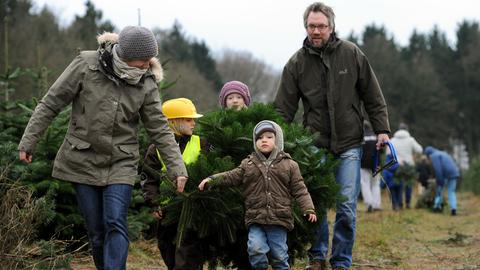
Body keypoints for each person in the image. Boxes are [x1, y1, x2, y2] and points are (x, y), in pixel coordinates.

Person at [18, 26, 188, 270]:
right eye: (143, 60)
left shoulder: (147, 81)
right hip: (82, 158)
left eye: (150, 59)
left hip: (121, 160)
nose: (147, 64)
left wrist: (177, 168)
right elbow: (51, 102)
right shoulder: (86, 64)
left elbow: (159, 129)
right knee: (97, 232)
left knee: (115, 222)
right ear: (127, 54)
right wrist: (28, 141)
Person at [273, 2, 390, 269]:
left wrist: (382, 129)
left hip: (349, 142)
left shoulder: (352, 54)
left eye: (321, 26)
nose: (317, 31)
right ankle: (317, 257)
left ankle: (341, 261)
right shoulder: (296, 64)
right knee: (315, 204)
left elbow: (373, 95)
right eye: (312, 26)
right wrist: (276, 143)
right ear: (305, 27)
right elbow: (283, 109)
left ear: (332, 27)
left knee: (347, 206)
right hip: (314, 143)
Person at [198, 120, 317, 270]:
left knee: (279, 256)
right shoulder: (248, 164)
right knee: (255, 249)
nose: (264, 140)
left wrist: (308, 208)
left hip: (279, 220)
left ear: (277, 140)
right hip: (256, 219)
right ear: (255, 142)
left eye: (269, 137)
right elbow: (231, 176)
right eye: (260, 138)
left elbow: (300, 189)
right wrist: (212, 179)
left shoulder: (290, 165)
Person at [141, 98, 209, 270]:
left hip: (191, 209)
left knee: (188, 252)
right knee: (167, 248)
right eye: (188, 119)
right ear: (173, 121)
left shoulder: (202, 144)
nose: (194, 123)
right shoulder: (155, 149)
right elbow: (149, 179)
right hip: (166, 211)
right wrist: (154, 203)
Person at [390, 123, 423, 209]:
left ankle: (399, 203)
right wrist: (414, 156)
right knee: (408, 184)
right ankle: (407, 203)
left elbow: (388, 152)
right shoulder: (410, 140)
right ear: (406, 129)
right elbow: (420, 149)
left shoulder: (393, 140)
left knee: (398, 184)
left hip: (397, 165)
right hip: (408, 164)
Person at [424, 146, 460, 216]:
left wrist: (440, 180)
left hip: (445, 174)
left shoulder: (434, 156)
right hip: (454, 173)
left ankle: (436, 207)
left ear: (428, 154)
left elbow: (438, 169)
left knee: (439, 191)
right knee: (451, 191)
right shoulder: (443, 153)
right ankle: (453, 209)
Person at [360, 121, 381, 212]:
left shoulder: (361, 137)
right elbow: (380, 150)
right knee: (375, 184)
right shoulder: (375, 136)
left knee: (365, 184)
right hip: (375, 164)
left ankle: (369, 204)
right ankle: (376, 205)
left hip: (363, 164)